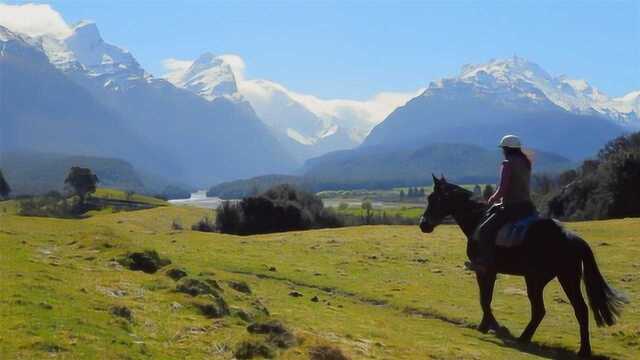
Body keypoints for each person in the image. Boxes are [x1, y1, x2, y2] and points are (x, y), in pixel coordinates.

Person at [471, 135, 537, 273]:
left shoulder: (507, 163)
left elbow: (503, 188)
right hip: (528, 207)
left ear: (506, 149)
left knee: (484, 230)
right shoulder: (526, 162)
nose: (502, 151)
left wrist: (492, 198)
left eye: (503, 149)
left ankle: (485, 262)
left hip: (512, 207)